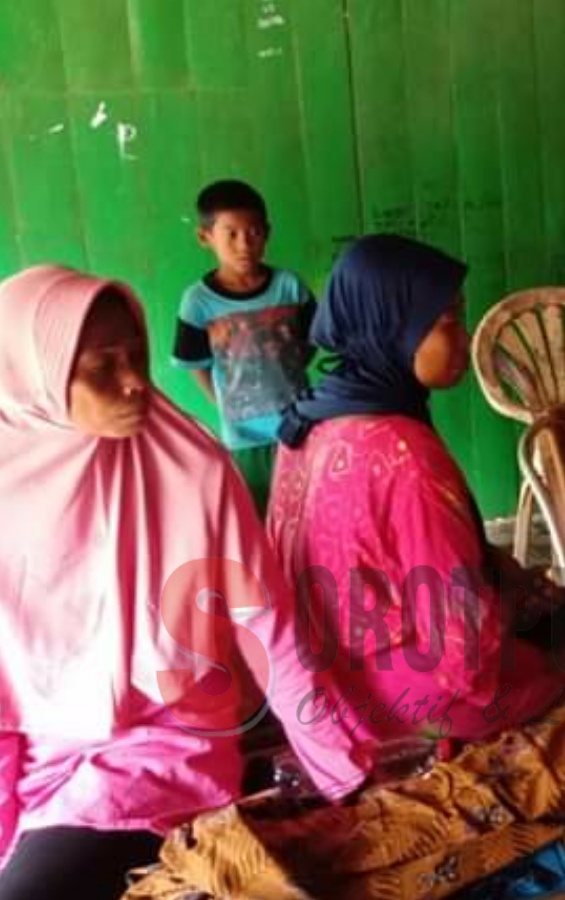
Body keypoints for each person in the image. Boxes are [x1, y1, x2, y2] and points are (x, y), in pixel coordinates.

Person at [0, 266, 365, 899]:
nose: (135, 381)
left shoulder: (191, 470)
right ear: (33, 375)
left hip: (161, 756)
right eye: (101, 366)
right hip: (33, 763)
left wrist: (346, 777)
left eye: (136, 355)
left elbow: (269, 630)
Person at [270, 234, 565, 748]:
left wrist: (496, 570)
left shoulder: (307, 422)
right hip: (411, 700)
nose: (464, 336)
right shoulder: (404, 455)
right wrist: (519, 602)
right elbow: (466, 657)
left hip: (327, 689)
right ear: (394, 328)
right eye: (447, 321)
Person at [171, 179, 317, 515]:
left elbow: (314, 339)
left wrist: (291, 370)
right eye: (231, 234)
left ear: (267, 232)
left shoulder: (289, 287)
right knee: (261, 516)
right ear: (205, 237)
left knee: (306, 513)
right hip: (245, 436)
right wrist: (224, 403)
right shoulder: (198, 303)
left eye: (253, 232)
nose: (244, 244)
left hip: (298, 425)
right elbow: (195, 364)